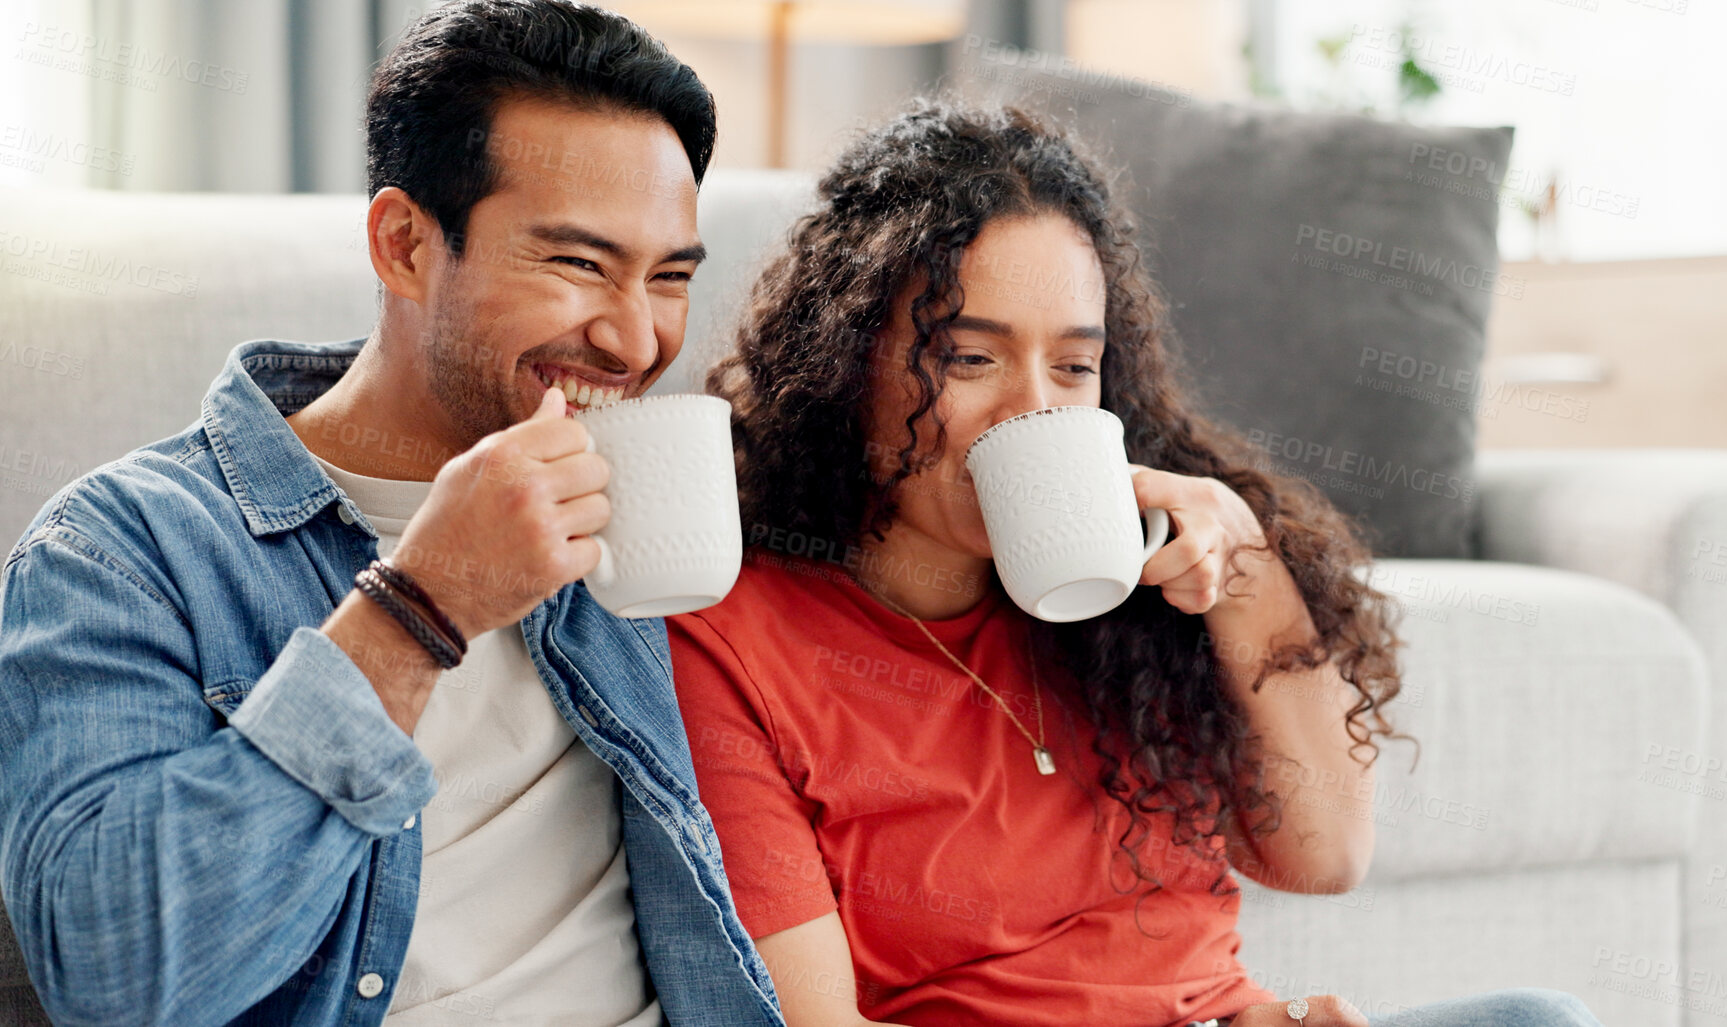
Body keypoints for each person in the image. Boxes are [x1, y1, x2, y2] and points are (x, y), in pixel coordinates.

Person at [668, 99, 1606, 1027]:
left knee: (1537, 1018)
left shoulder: (1134, 602)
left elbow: (1324, 855)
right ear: (845, 356)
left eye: (1073, 367)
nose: (1033, 409)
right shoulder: (731, 643)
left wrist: (1241, 560)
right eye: (967, 357)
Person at [0, 2, 783, 1023]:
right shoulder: (121, 552)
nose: (636, 340)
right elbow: (114, 978)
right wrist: (420, 608)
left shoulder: (664, 500)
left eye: (669, 277)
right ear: (406, 244)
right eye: (580, 264)